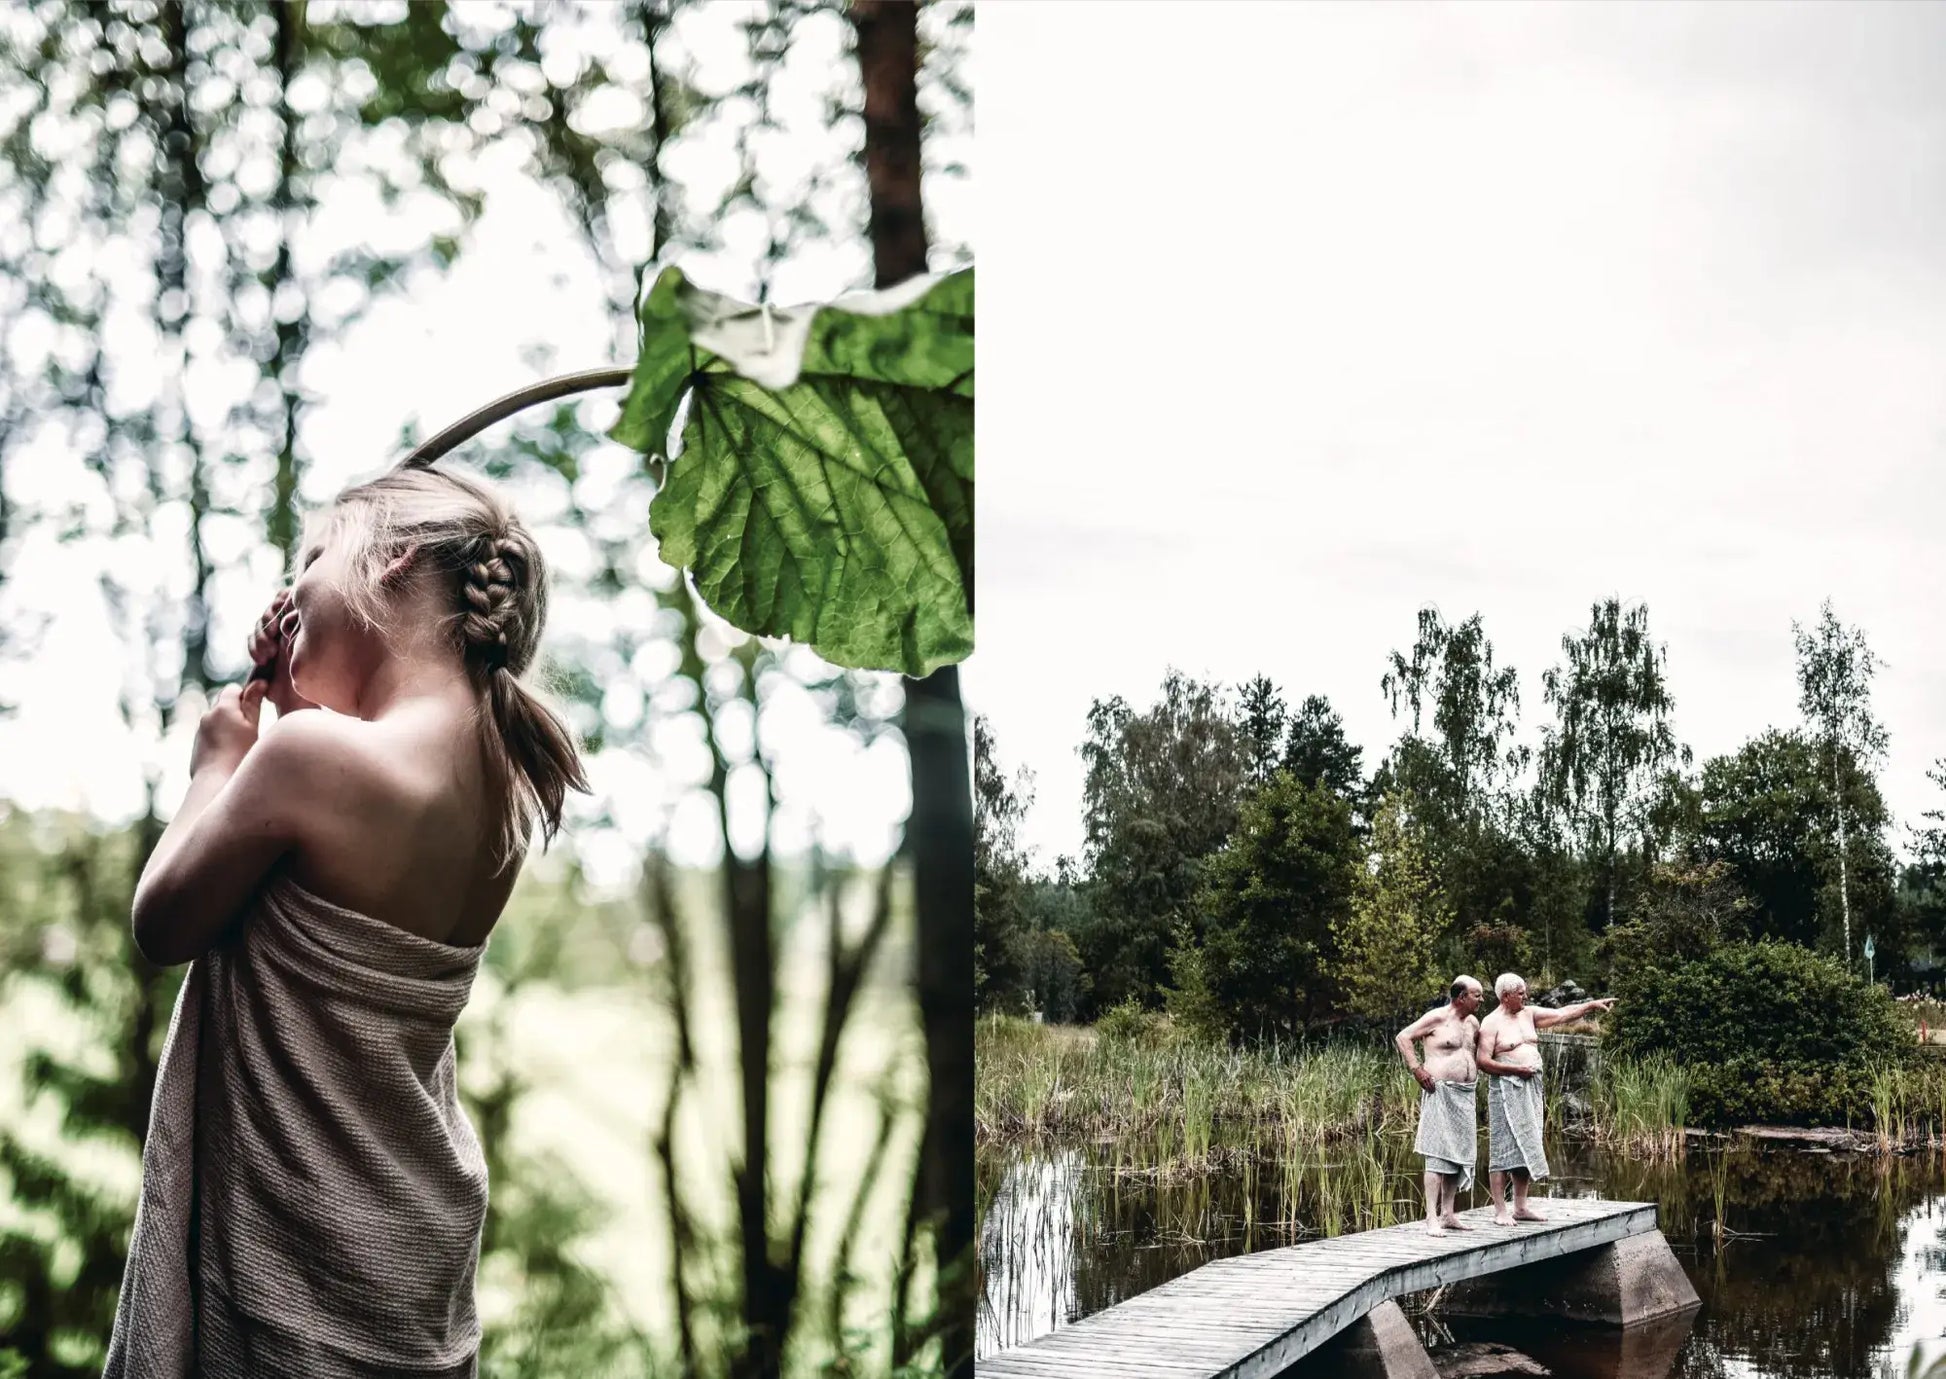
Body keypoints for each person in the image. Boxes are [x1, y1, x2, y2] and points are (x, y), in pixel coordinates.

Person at [105, 463, 590, 1378]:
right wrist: (292, 709)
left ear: (391, 559)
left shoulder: (304, 758)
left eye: (315, 556)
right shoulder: (501, 788)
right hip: (405, 1245)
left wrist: (217, 763)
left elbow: (162, 924)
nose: (292, 590)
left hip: (295, 1243)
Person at [1475, 972, 1616, 1225]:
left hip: (1531, 1090)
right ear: (1505, 997)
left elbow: (1563, 1014)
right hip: (1505, 1090)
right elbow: (1483, 1061)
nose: (1525, 996)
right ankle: (1500, 1211)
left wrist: (1592, 1005)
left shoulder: (1529, 1014)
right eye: (1521, 994)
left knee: (1528, 1144)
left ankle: (1520, 1206)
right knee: (1502, 1149)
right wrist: (1516, 1070)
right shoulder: (1491, 1023)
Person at [1396, 975, 1485, 1236]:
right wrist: (1417, 1069)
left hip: (1465, 1094)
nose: (1481, 999)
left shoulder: (1472, 1022)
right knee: (1437, 1154)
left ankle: (1448, 1213)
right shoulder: (1436, 1018)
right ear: (1461, 997)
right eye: (1476, 995)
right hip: (1440, 1092)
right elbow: (1404, 1037)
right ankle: (1431, 1217)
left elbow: (1473, 1052)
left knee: (1458, 1156)